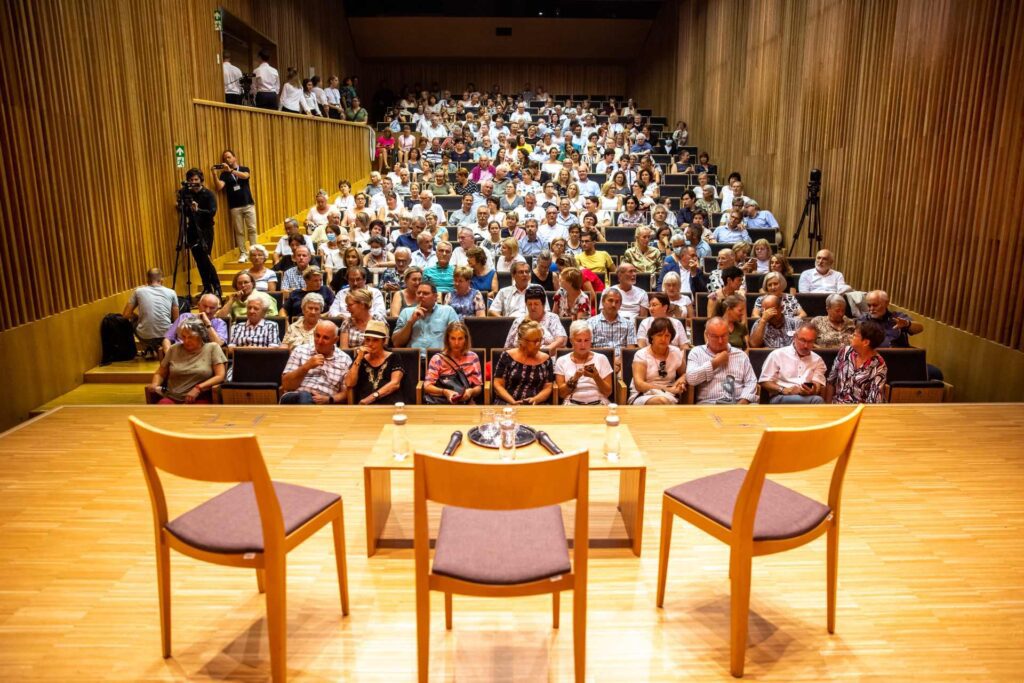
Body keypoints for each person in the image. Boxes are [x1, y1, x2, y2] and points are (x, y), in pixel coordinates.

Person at [149, 319, 226, 404]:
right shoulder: (174, 349)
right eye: (183, 337)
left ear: (200, 336)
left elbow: (220, 376)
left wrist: (198, 388)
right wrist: (155, 384)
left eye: (190, 337)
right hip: (172, 396)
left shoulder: (212, 348)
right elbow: (160, 373)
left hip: (200, 396)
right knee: (163, 408)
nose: (186, 341)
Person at [685, 317, 758, 404]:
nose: (720, 341)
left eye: (723, 336)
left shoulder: (741, 355)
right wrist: (715, 363)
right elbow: (691, 379)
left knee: (755, 408)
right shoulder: (697, 352)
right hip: (709, 403)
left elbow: (751, 382)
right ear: (706, 334)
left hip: (739, 403)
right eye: (715, 337)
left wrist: (743, 401)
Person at [279, 321, 351, 404]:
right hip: (295, 398)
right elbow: (286, 385)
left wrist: (329, 399)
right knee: (304, 396)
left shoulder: (344, 359)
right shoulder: (300, 350)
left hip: (324, 405)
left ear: (335, 340)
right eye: (317, 336)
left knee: (306, 400)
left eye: (325, 338)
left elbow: (346, 393)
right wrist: (306, 367)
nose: (320, 341)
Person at [758, 322, 827, 404]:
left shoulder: (818, 360)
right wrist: (783, 390)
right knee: (817, 400)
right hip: (781, 396)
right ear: (794, 337)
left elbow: (817, 384)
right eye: (803, 340)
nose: (806, 346)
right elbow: (764, 381)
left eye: (810, 342)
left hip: (807, 397)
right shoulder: (777, 354)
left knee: (816, 399)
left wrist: (813, 390)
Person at [176, 168, 221, 295]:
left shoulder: (208, 194)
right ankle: (207, 287)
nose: (194, 182)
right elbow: (182, 208)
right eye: (191, 180)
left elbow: (212, 212)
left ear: (201, 180)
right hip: (192, 230)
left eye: (196, 179)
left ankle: (217, 287)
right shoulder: (186, 194)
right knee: (199, 261)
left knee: (206, 259)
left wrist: (198, 210)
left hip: (206, 230)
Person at [492, 320, 555, 405]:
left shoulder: (546, 360)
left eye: (540, 340)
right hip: (507, 401)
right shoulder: (507, 356)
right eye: (535, 341)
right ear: (523, 341)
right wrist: (513, 402)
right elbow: (498, 384)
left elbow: (548, 387)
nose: (539, 344)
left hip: (536, 404)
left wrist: (535, 399)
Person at [629, 318, 687, 405]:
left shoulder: (676, 352)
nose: (663, 339)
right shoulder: (641, 354)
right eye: (659, 335)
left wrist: (680, 382)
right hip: (643, 394)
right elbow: (639, 385)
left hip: (670, 394)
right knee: (661, 401)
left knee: (664, 400)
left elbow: (685, 373)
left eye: (667, 336)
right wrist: (667, 389)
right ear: (652, 336)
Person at [423, 322, 484, 404]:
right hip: (441, 402)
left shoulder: (473, 357)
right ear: (447, 339)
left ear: (466, 339)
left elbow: (478, 387)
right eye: (453, 338)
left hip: (465, 402)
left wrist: (471, 392)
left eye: (460, 339)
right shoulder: (437, 359)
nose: (456, 343)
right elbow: (427, 386)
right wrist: (445, 392)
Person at [828, 320, 888, 404]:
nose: (851, 336)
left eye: (855, 335)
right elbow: (831, 380)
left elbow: (874, 399)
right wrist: (827, 405)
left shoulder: (879, 365)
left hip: (860, 410)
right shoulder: (845, 351)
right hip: (837, 405)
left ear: (865, 342)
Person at [555, 321, 614, 406]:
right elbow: (561, 394)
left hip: (599, 402)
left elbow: (608, 392)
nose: (583, 345)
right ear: (571, 341)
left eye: (586, 340)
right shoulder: (562, 361)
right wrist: (574, 378)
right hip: (572, 403)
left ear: (591, 340)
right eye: (579, 340)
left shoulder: (601, 358)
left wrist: (596, 377)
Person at [123, 268, 178, 359]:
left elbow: (126, 315)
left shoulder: (138, 291)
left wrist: (137, 317)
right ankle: (161, 346)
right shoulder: (172, 292)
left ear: (147, 281)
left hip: (145, 336)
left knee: (133, 321)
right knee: (172, 324)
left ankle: (149, 347)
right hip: (165, 335)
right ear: (162, 281)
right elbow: (176, 320)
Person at [345, 320, 404, 404]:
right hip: (364, 407)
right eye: (367, 339)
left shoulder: (394, 357)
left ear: (383, 341)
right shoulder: (360, 358)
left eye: (375, 340)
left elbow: (395, 384)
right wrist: (358, 358)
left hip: (389, 403)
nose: (370, 344)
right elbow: (349, 383)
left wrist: (369, 399)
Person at [213, 150, 258, 262]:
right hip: (234, 207)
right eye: (225, 159)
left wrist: (231, 171)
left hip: (248, 204)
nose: (227, 160)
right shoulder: (224, 174)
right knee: (239, 231)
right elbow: (219, 187)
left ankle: (253, 252)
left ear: (234, 158)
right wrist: (214, 175)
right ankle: (243, 253)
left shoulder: (244, 168)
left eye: (229, 157)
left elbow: (245, 176)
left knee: (252, 229)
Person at [392, 281, 460, 349]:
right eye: (418, 293)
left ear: (435, 297)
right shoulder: (406, 312)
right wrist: (410, 322)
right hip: (413, 357)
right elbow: (396, 343)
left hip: (440, 357)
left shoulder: (448, 311)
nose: (421, 295)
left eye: (425, 293)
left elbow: (458, 339)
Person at [502, 285, 566, 354]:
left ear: (543, 304)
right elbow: (507, 347)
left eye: (536, 304)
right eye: (529, 304)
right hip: (521, 359)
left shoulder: (552, 318)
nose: (532, 307)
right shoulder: (518, 321)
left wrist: (545, 351)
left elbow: (561, 340)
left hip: (546, 358)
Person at [161, 293, 226, 358]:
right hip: (178, 356)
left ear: (217, 309)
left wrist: (208, 324)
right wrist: (169, 357)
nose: (207, 311)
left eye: (212, 308)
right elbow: (167, 339)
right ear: (198, 305)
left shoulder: (220, 323)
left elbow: (218, 344)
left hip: (203, 358)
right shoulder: (184, 317)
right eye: (205, 306)